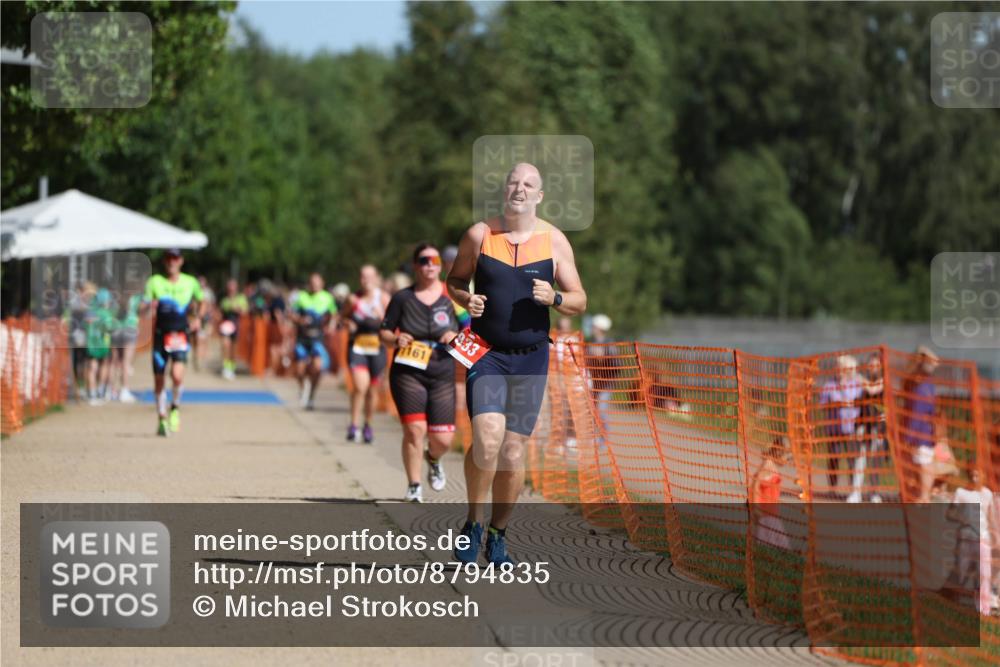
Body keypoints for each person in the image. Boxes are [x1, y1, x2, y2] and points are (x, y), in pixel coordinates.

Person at [447, 162, 587, 565]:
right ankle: (473, 522)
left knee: (512, 451)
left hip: (530, 358)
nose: (519, 189)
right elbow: (454, 281)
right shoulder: (479, 234)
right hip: (486, 353)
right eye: (513, 182)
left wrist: (555, 298)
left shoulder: (554, 241)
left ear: (539, 196)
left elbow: (579, 300)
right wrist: (465, 299)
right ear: (504, 190)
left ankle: (499, 533)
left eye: (528, 184)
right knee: (487, 439)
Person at [380, 243, 461, 501]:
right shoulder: (402, 298)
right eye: (424, 260)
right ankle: (414, 485)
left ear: (441, 265)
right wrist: (395, 339)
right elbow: (384, 332)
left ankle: (434, 458)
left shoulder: (453, 296)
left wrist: (456, 335)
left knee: (444, 439)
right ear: (416, 266)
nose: (430, 265)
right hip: (408, 371)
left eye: (434, 260)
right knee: (415, 429)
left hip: (442, 371)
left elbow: (472, 328)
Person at [141, 249, 204, 436]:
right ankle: (161, 418)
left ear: (181, 261)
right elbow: (142, 309)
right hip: (160, 336)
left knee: (177, 376)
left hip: (180, 336)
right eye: (169, 258)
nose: (172, 262)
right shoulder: (155, 282)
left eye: (175, 258)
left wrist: (198, 318)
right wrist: (148, 306)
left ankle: (175, 408)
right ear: (165, 261)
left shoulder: (190, 282)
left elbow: (202, 301)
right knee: (159, 380)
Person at [344, 265, 390, 443]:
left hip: (377, 349)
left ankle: (368, 425)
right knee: (360, 386)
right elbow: (342, 317)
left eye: (370, 277)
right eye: (363, 277)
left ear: (377, 278)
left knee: (372, 390)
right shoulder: (353, 299)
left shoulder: (383, 298)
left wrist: (382, 318)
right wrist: (348, 323)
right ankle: (353, 425)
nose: (366, 281)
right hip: (357, 348)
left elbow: (393, 324)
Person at [952, 466, 997, 615]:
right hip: (965, 537)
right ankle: (961, 605)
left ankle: (984, 609)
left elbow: (991, 517)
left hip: (983, 539)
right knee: (963, 573)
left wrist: (995, 537)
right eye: (972, 475)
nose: (975, 478)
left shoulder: (987, 494)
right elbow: (951, 514)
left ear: (984, 476)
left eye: (978, 475)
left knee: (984, 575)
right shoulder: (961, 492)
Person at [818, 355, 863, 501]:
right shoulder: (829, 385)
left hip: (851, 428)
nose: (839, 371)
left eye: (843, 368)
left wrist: (845, 394)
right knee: (833, 458)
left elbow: (859, 403)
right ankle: (832, 489)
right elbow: (821, 405)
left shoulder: (856, 384)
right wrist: (833, 404)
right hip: (834, 428)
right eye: (838, 367)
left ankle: (853, 491)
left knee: (852, 460)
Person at [292, 272, 337, 410]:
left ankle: (311, 396)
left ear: (322, 284)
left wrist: (331, 326)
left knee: (317, 368)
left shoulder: (327, 298)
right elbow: (292, 314)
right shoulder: (301, 296)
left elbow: (334, 314)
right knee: (299, 370)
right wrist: (300, 320)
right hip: (302, 338)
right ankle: (303, 388)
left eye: (317, 283)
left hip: (318, 338)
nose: (314, 285)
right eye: (312, 283)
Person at [903, 345, 939, 503]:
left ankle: (924, 496)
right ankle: (923, 495)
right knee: (923, 463)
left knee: (924, 464)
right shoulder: (925, 384)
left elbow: (917, 414)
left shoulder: (922, 386)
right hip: (924, 430)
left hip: (921, 432)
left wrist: (909, 437)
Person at [854, 353, 886, 503]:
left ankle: (874, 493)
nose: (873, 368)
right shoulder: (862, 383)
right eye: (871, 365)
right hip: (864, 425)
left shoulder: (884, 380)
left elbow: (874, 390)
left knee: (876, 461)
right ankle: (856, 492)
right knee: (861, 459)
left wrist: (858, 377)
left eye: (876, 365)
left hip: (879, 427)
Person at [751, 439, 791, 550]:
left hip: (772, 513)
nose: (787, 461)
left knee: (779, 545)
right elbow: (755, 484)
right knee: (773, 545)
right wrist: (755, 506)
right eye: (787, 457)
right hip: (765, 513)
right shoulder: (768, 465)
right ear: (779, 453)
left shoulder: (771, 464)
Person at [84, 287, 115, 404]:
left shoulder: (90, 312)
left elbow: (85, 326)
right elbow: (109, 328)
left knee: (92, 368)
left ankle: (92, 393)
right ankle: (100, 391)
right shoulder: (106, 314)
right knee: (103, 366)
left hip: (91, 344)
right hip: (103, 345)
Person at [109, 290, 141, 403]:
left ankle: (110, 391)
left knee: (113, 362)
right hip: (129, 329)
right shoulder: (136, 298)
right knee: (125, 362)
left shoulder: (114, 297)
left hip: (115, 330)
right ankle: (124, 391)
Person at [218, 278, 248, 380]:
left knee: (233, 349)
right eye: (229, 286)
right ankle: (226, 367)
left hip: (237, 325)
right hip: (226, 325)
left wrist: (237, 309)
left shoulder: (241, 298)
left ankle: (232, 367)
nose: (231, 288)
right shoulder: (224, 299)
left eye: (233, 286)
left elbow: (245, 311)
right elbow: (220, 312)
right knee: (225, 345)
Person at [193, 275, 215, 371]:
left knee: (205, 340)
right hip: (198, 319)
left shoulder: (208, 293)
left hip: (207, 320)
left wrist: (211, 316)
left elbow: (212, 306)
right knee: (198, 340)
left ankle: (202, 360)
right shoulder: (195, 292)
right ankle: (198, 360)